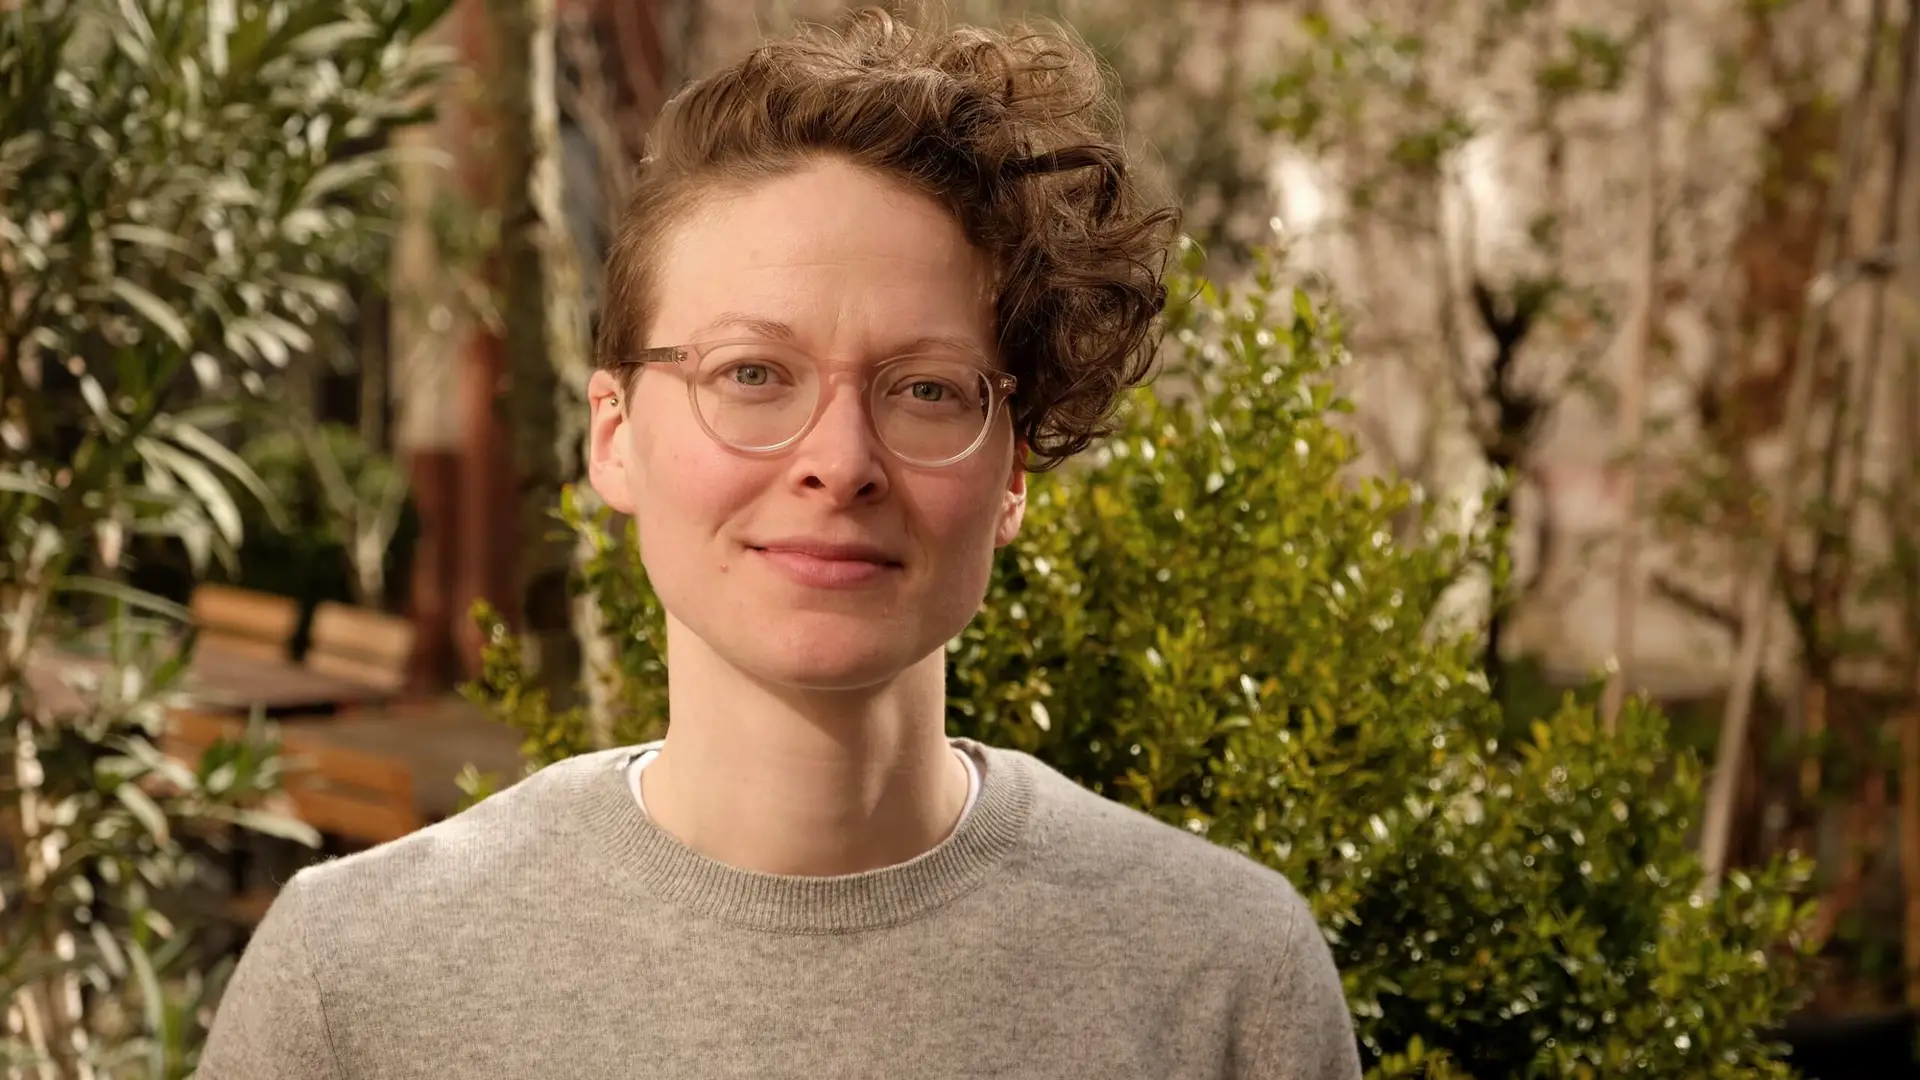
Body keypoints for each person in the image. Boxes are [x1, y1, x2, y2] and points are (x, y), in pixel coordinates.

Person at [198, 8, 1361, 1078]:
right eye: (752, 374)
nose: (840, 459)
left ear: (1013, 469)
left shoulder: (1221, 980)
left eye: (925, 389)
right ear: (613, 437)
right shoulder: (353, 982)